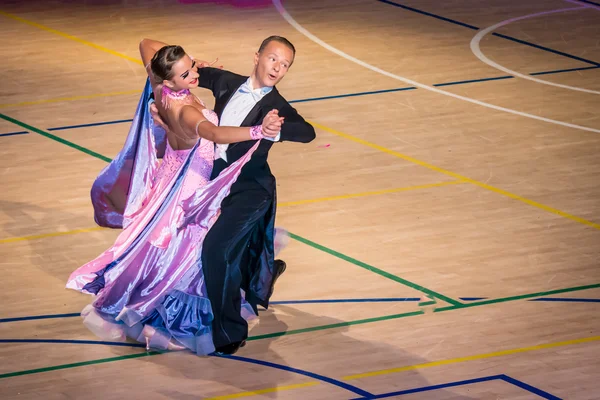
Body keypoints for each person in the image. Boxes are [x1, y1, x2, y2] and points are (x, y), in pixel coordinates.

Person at [65, 39, 282, 355]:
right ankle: (181, 318)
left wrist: (188, 62)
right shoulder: (185, 111)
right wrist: (257, 132)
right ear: (169, 80)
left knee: (166, 248)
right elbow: (218, 134)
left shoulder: (159, 87)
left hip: (169, 177)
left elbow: (144, 44)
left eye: (191, 67)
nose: (194, 75)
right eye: (185, 75)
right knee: (190, 254)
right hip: (190, 188)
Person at [152, 36, 316, 355]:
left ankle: (228, 332)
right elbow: (185, 68)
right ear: (257, 57)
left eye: (285, 65)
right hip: (213, 182)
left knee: (217, 249)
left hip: (249, 189)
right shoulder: (227, 81)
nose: (278, 68)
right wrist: (193, 62)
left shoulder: (277, 107)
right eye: (273, 59)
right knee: (210, 245)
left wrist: (275, 131)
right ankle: (260, 275)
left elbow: (308, 133)